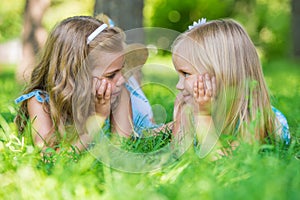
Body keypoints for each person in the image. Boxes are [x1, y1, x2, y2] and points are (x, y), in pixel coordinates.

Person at [14, 15, 154, 152]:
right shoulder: (40, 102)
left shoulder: (119, 93)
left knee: (149, 129)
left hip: (139, 117)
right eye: (111, 75)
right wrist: (98, 118)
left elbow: (121, 148)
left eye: (121, 70)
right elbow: (50, 156)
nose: (122, 79)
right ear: (76, 75)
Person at [171, 18, 290, 158]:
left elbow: (224, 164)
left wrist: (203, 116)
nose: (178, 86)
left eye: (186, 74)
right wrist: (182, 117)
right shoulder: (189, 107)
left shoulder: (252, 117)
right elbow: (179, 155)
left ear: (222, 74)